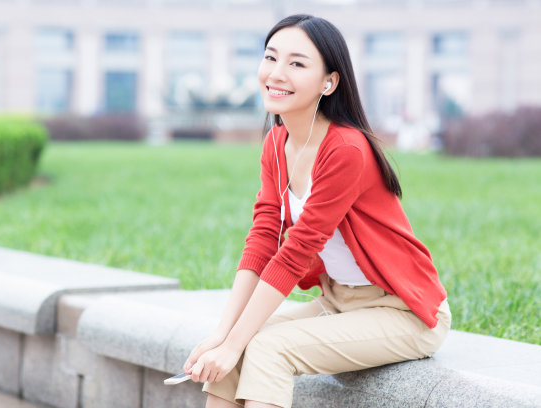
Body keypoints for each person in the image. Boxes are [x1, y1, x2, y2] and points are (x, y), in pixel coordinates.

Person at [183, 14, 451, 408]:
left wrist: (233, 341)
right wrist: (224, 335)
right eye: (270, 58)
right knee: (238, 345)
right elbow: (262, 239)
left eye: (297, 63)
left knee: (269, 348)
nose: (276, 73)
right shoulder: (277, 143)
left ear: (329, 82)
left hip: (403, 311)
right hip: (338, 302)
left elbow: (297, 250)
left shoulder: (346, 148)